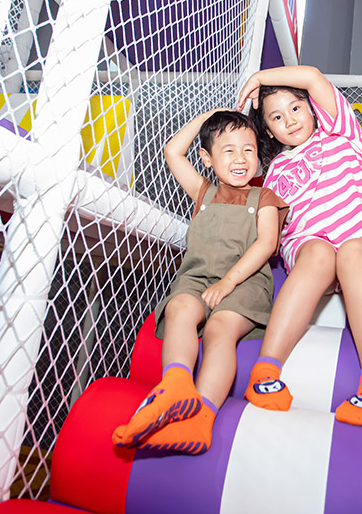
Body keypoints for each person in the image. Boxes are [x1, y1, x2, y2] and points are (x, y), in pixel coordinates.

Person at [236, 65, 362, 427]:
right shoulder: (275, 171)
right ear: (269, 131)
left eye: (296, 108)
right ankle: (265, 372)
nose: (290, 120)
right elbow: (270, 228)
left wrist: (261, 79)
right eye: (277, 117)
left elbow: (313, 77)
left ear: (312, 109)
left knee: (353, 252)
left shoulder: (341, 133)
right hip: (311, 248)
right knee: (318, 253)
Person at [113, 108, 287, 454]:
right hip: (196, 280)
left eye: (248, 150)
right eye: (229, 150)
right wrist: (211, 115)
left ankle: (201, 418)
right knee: (179, 306)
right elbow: (172, 151)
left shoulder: (263, 198)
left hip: (245, 284)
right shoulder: (203, 193)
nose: (241, 158)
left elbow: (267, 243)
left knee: (218, 329)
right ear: (207, 159)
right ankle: (176, 384)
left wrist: (229, 282)